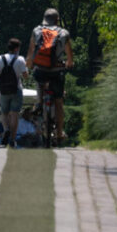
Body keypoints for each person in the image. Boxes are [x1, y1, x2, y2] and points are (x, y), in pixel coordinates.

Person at [26, 8, 74, 141]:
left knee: (39, 80)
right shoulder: (63, 33)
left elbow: (30, 53)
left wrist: (29, 65)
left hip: (40, 70)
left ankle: (39, 102)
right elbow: (69, 55)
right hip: (57, 71)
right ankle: (59, 132)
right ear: (57, 20)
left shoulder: (36, 31)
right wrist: (69, 63)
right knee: (59, 101)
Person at [0, 37, 28, 147]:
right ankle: (12, 139)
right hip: (16, 89)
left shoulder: (0, 58)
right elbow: (26, 76)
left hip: (4, 91)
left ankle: (6, 130)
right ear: (17, 48)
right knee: (14, 115)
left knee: (4, 113)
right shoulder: (20, 59)